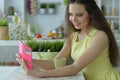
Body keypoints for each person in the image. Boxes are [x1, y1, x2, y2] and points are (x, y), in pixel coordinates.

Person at [16, 0, 120, 80]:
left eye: (79, 15)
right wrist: (29, 61)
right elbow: (55, 63)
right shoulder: (73, 36)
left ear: (91, 14)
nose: (73, 19)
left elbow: (75, 68)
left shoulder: (100, 36)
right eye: (70, 14)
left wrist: (40, 74)